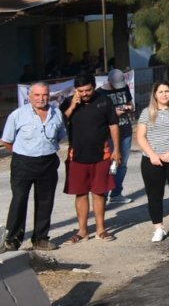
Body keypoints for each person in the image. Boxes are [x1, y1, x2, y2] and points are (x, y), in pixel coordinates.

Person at [2, 82, 65, 251]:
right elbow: (7, 141)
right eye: (37, 95)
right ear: (29, 97)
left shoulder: (56, 113)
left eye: (44, 95)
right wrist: (23, 153)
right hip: (23, 163)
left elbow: (59, 136)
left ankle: (40, 238)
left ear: (49, 95)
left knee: (45, 200)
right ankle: (12, 240)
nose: (41, 98)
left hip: (48, 162)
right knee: (19, 200)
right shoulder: (17, 115)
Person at [61, 73, 121, 243]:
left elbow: (113, 125)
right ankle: (82, 231)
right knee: (80, 194)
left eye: (88, 90)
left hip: (101, 155)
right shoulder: (68, 103)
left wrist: (117, 149)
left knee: (99, 193)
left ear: (94, 87)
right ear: (75, 90)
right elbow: (59, 123)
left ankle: (101, 230)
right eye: (81, 91)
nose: (85, 93)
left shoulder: (104, 101)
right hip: (76, 156)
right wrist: (73, 105)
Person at [136, 81, 169, 241]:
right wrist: (152, 155)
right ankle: (158, 228)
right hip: (151, 159)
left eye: (167, 91)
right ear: (155, 94)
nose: (164, 94)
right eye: (160, 92)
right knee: (154, 196)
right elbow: (140, 136)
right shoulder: (146, 113)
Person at [97, 69, 134, 205]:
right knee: (110, 164)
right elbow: (98, 115)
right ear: (109, 81)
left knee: (122, 165)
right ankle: (104, 194)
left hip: (125, 130)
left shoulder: (124, 88)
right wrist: (113, 113)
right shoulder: (100, 93)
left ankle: (116, 193)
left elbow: (131, 104)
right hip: (109, 134)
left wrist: (128, 108)